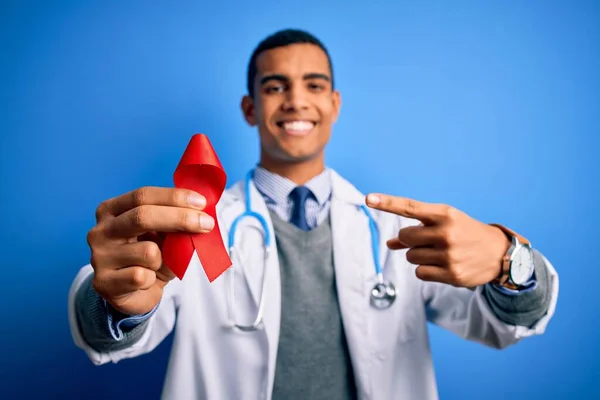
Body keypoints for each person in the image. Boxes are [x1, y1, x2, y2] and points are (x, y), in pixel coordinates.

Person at [68, 28, 559, 400]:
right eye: (275, 86)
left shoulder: (394, 231)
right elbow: (112, 338)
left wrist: (511, 263)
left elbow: (499, 325)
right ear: (249, 107)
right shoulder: (197, 225)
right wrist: (113, 301)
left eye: (314, 85)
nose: (297, 101)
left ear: (335, 103)